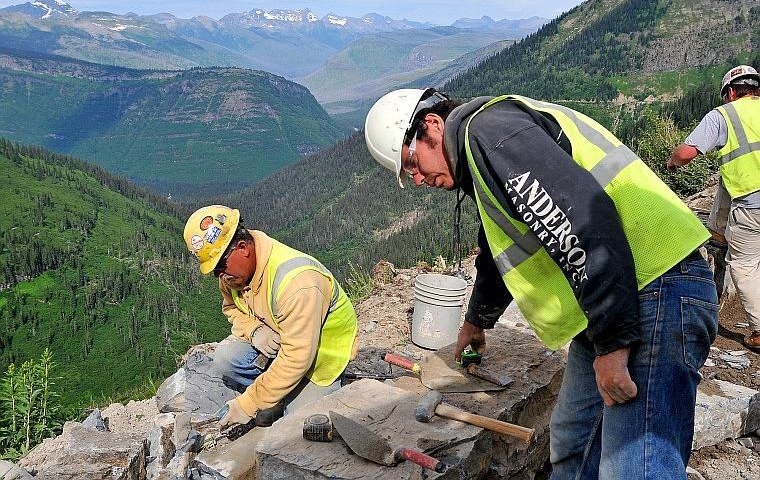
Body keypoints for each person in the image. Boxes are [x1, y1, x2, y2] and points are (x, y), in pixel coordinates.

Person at [365, 89, 718, 479]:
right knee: (573, 444)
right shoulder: (483, 148)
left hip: (653, 288)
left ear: (431, 126)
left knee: (636, 466)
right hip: (612, 300)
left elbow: (582, 219)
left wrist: (615, 344)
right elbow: (501, 248)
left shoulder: (490, 132)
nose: (416, 179)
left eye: (412, 163)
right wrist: (477, 320)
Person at [183, 205, 358, 430]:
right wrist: (255, 331)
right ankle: (278, 392)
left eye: (220, 266)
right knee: (226, 359)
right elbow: (231, 309)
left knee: (298, 426)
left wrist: (247, 404)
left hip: (320, 361)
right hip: (282, 345)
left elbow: (297, 359)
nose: (219, 276)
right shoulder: (232, 274)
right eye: (214, 271)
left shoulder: (298, 284)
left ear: (243, 248)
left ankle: (292, 395)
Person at [667, 64, 760, 352]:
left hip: (753, 204)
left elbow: (686, 153)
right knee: (725, 181)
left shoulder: (723, 116)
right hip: (746, 195)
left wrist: (671, 164)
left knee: (744, 266)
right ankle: (718, 232)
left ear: (731, 92)